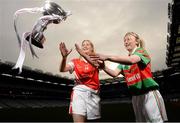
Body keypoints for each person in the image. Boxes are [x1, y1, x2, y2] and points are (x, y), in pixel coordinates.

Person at [93, 32, 168, 122]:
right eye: (124, 40)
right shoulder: (124, 61)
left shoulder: (141, 51)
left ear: (136, 42)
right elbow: (114, 73)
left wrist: (107, 57)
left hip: (149, 94)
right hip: (136, 96)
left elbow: (132, 60)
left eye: (128, 39)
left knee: (155, 121)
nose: (126, 42)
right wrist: (104, 67)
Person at [59, 40, 101, 123]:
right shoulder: (75, 61)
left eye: (87, 45)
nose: (85, 46)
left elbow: (96, 65)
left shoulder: (97, 59)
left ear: (92, 48)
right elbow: (62, 69)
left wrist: (83, 54)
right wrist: (64, 58)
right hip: (79, 93)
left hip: (93, 94)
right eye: (83, 45)